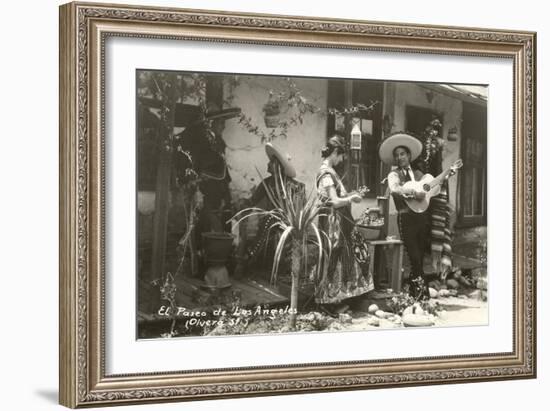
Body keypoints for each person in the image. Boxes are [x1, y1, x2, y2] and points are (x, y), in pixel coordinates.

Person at [315, 135, 374, 308]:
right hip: (333, 223)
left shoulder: (331, 172)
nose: (341, 160)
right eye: (340, 156)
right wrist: (351, 199)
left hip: (340, 221)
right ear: (334, 152)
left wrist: (350, 195)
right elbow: (334, 201)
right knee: (334, 258)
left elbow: (337, 197)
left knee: (350, 254)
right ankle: (328, 301)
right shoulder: (326, 173)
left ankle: (346, 296)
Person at [234, 143, 305, 276]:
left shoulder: (295, 186)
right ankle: (247, 259)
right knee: (268, 222)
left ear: (278, 166)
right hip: (270, 222)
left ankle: (249, 259)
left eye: (271, 162)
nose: (268, 165)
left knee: (269, 223)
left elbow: (300, 210)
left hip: (287, 225)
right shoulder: (267, 183)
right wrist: (241, 205)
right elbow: (252, 201)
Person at [378, 132, 430, 299]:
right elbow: (395, 189)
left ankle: (416, 294)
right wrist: (414, 192)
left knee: (420, 257)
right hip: (406, 218)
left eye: (402, 154)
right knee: (414, 256)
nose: (400, 158)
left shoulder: (418, 173)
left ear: (409, 155)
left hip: (422, 218)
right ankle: (422, 295)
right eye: (397, 155)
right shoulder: (394, 175)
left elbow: (429, 187)